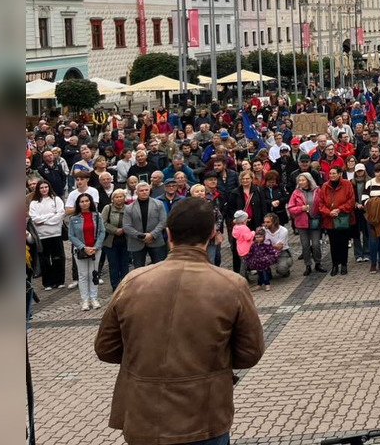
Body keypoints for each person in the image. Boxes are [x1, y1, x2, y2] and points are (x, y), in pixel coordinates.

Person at [95, 198, 265, 445]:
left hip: (144, 415)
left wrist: (145, 357)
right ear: (212, 234)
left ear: (168, 234)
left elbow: (105, 348)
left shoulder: (133, 281)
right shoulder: (231, 285)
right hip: (204, 416)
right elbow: (250, 353)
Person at [67, 192, 104, 310]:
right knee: (83, 275)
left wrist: (96, 247)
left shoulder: (97, 215)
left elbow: (102, 232)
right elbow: (71, 236)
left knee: (93, 274)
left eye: (87, 201)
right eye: (82, 201)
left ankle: (94, 298)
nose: (84, 203)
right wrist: (84, 247)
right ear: (78, 204)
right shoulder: (73, 218)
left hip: (95, 250)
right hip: (81, 250)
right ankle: (85, 300)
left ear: (91, 202)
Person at [28, 180, 66, 290]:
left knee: (58, 258)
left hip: (56, 233)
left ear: (49, 187)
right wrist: (51, 216)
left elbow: (60, 214)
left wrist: (45, 220)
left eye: (46, 187)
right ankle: (48, 282)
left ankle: (59, 280)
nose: (44, 189)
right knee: (45, 259)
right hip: (42, 235)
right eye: (41, 188)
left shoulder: (56, 199)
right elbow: (35, 218)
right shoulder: (34, 203)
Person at [318, 165, 356, 276]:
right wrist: (329, 212)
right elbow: (321, 204)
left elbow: (351, 200)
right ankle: (335, 265)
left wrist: (339, 210)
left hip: (343, 218)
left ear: (339, 174)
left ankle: (344, 264)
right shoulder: (325, 186)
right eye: (330, 174)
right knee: (333, 244)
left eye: (334, 173)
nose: (332, 175)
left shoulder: (347, 184)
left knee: (343, 243)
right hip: (330, 220)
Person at [287, 173, 325, 275]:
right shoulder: (296, 193)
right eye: (299, 181)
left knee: (316, 244)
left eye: (303, 180)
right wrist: (301, 209)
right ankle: (308, 265)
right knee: (305, 245)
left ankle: (318, 262)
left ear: (309, 180)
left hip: (314, 221)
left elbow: (322, 203)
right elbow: (290, 208)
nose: (301, 182)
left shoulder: (317, 191)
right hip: (301, 223)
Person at [123, 183, 167, 268]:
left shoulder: (159, 204)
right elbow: (127, 226)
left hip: (156, 240)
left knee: (159, 268)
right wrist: (142, 236)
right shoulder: (129, 208)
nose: (144, 192)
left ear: (149, 191)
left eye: (146, 190)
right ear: (137, 192)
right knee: (139, 271)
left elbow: (163, 221)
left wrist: (152, 235)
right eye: (141, 190)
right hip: (137, 242)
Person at [101, 188, 132, 290]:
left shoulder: (129, 208)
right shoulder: (107, 208)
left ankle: (125, 285)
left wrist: (124, 229)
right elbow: (103, 223)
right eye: (117, 197)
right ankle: (115, 285)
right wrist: (115, 230)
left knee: (125, 264)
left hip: (125, 240)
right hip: (111, 241)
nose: (119, 199)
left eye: (121, 196)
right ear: (112, 199)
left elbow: (132, 222)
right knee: (113, 265)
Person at [262, 212, 293, 279]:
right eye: (264, 222)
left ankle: (285, 267)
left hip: (282, 252)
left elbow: (279, 247)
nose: (265, 224)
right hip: (268, 252)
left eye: (268, 222)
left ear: (274, 222)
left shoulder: (284, 230)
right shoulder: (263, 230)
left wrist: (266, 245)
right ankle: (267, 271)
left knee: (282, 270)